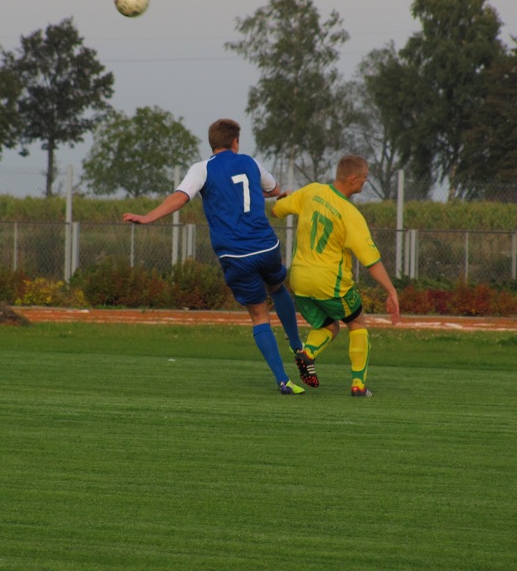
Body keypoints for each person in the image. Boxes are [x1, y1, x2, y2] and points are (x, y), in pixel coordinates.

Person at [123, 118, 306, 395]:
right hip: (266, 246)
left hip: (235, 253)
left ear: (212, 143)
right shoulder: (251, 163)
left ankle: (283, 380)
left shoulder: (202, 169)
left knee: (259, 316)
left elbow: (181, 197)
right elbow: (272, 190)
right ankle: (298, 346)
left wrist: (148, 217)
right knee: (278, 288)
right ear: (235, 142)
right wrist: (282, 195)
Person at [272, 154, 400, 397]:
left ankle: (307, 353)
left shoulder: (312, 191)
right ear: (353, 179)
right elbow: (372, 262)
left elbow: (277, 211)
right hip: (329, 282)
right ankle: (358, 386)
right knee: (357, 322)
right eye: (365, 177)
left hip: (299, 279)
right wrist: (391, 292)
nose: (365, 182)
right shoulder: (350, 215)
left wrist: (281, 200)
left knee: (329, 326)